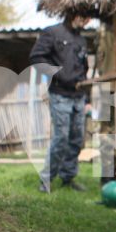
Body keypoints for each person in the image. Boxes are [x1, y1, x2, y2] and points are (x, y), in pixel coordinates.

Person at [29, 11, 92, 191]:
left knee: (76, 139)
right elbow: (36, 58)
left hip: (79, 95)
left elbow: (84, 69)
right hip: (59, 94)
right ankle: (46, 179)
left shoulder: (81, 40)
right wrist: (58, 75)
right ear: (75, 13)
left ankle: (68, 177)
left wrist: (86, 96)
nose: (88, 20)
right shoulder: (52, 32)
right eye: (85, 15)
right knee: (61, 137)